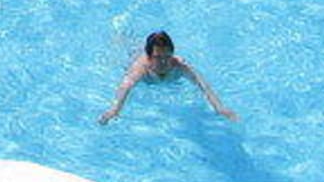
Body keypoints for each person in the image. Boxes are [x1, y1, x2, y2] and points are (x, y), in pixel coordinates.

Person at [99, 31, 237, 124]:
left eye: (167, 56)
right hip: (135, 61)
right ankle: (122, 38)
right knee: (130, 52)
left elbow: (203, 85)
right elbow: (126, 86)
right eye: (158, 57)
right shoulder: (140, 69)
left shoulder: (179, 65)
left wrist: (219, 108)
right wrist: (115, 110)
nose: (164, 62)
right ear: (149, 57)